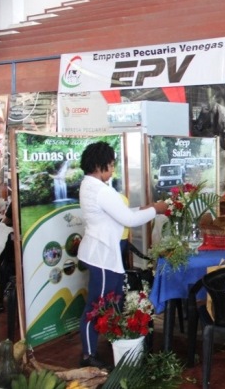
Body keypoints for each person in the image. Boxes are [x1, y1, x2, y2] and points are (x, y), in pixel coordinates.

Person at [77, 141, 168, 369]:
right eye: (111, 165)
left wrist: (146, 208)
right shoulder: (99, 190)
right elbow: (128, 220)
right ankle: (88, 355)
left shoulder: (90, 186)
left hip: (104, 254)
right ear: (100, 165)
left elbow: (122, 214)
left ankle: (116, 339)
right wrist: (155, 210)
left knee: (114, 299)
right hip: (102, 256)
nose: (113, 169)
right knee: (97, 305)